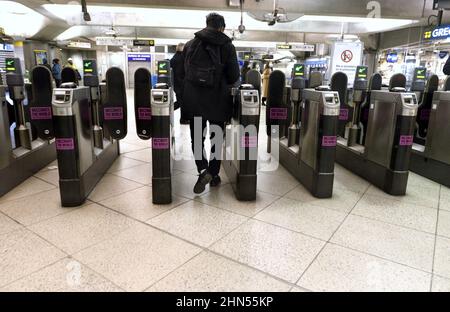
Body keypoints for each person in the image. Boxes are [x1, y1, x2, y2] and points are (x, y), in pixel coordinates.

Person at [182, 12, 240, 194]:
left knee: (197, 139)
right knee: (216, 139)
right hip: (218, 101)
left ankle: (202, 169)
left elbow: (184, 72)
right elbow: (233, 76)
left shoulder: (191, 44)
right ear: (221, 27)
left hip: (195, 100)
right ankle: (214, 174)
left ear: (207, 24)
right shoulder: (227, 45)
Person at [170, 42, 189, 124]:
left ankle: (183, 119)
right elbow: (182, 73)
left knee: (182, 102)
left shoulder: (173, 58)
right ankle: (167, 111)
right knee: (182, 103)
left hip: (176, 84)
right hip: (182, 85)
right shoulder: (182, 58)